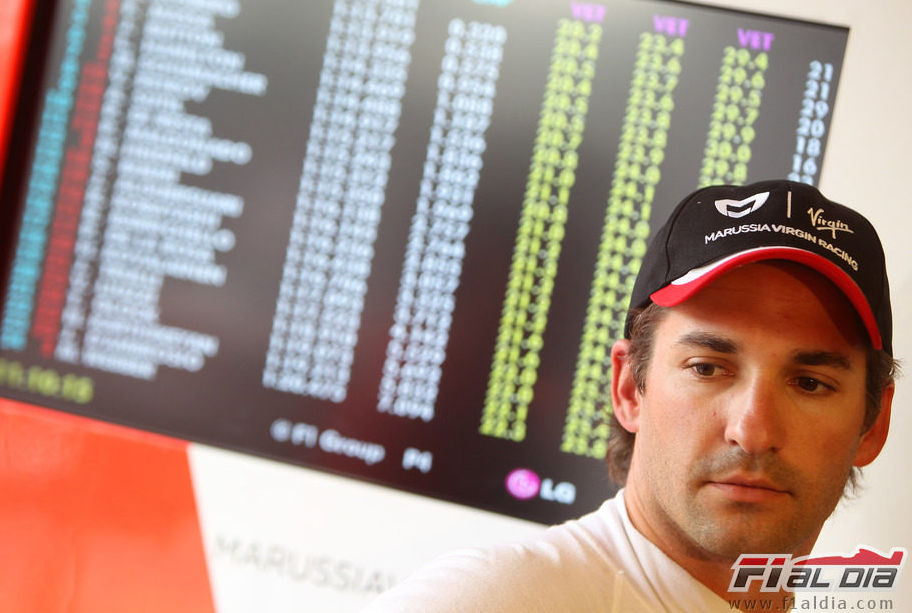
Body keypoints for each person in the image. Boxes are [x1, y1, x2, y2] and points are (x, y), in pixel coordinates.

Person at [363, 179, 897, 612]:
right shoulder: (496, 600)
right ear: (628, 388)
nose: (752, 430)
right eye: (708, 368)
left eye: (809, 383)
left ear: (873, 426)